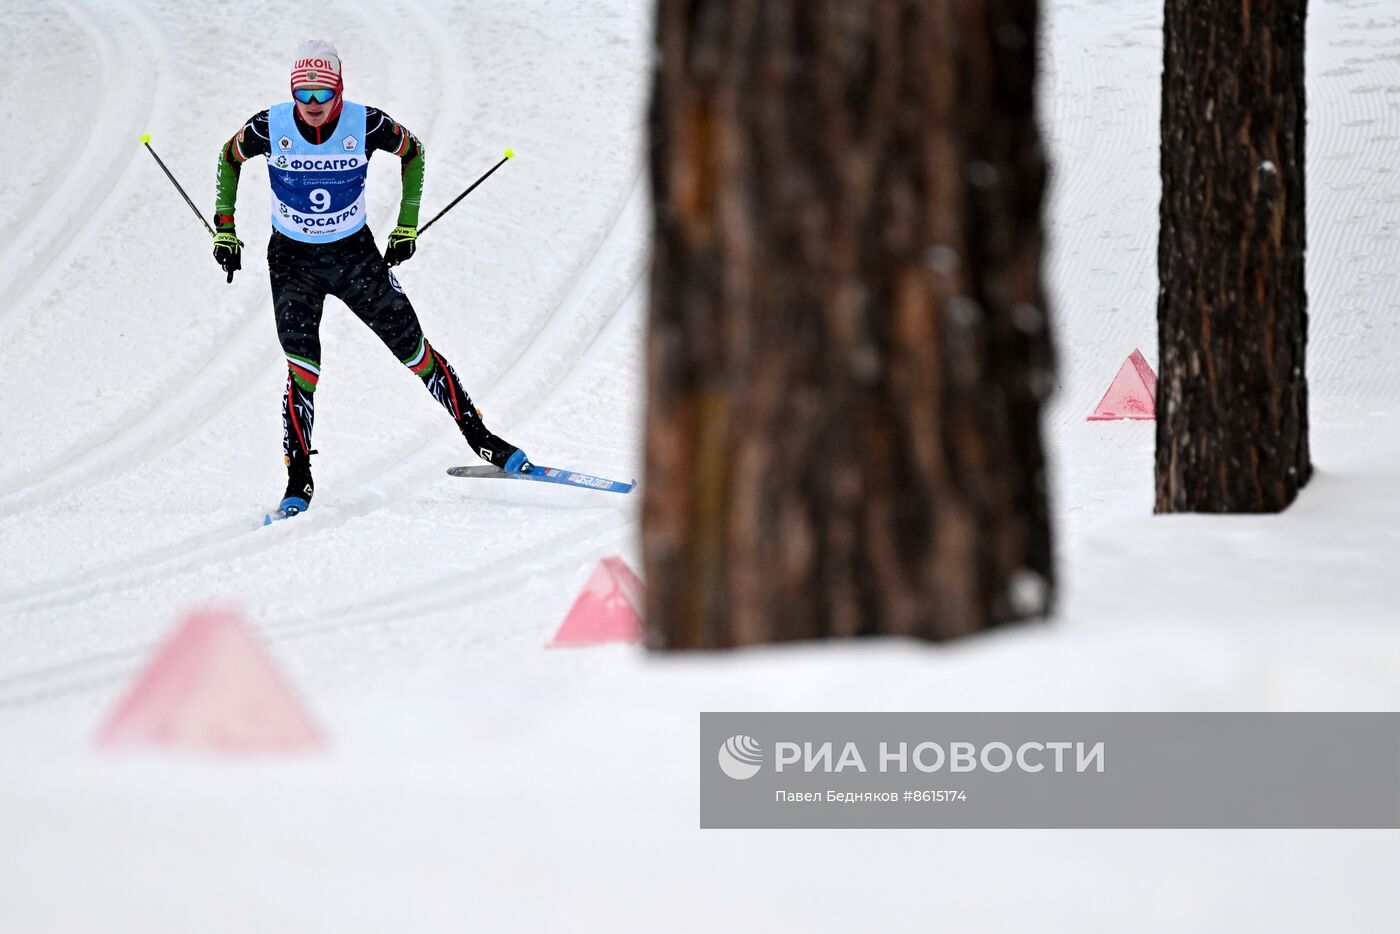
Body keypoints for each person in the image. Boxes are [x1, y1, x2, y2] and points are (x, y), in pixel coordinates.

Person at [212, 39, 529, 518]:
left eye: (322, 95)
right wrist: (225, 229)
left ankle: (481, 438)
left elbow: (414, 152)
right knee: (302, 367)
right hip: (293, 263)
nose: (312, 106)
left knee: (414, 351)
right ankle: (298, 479)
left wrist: (406, 224)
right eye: (303, 94)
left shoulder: (366, 123)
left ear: (339, 90)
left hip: (354, 257)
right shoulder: (269, 125)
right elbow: (229, 157)